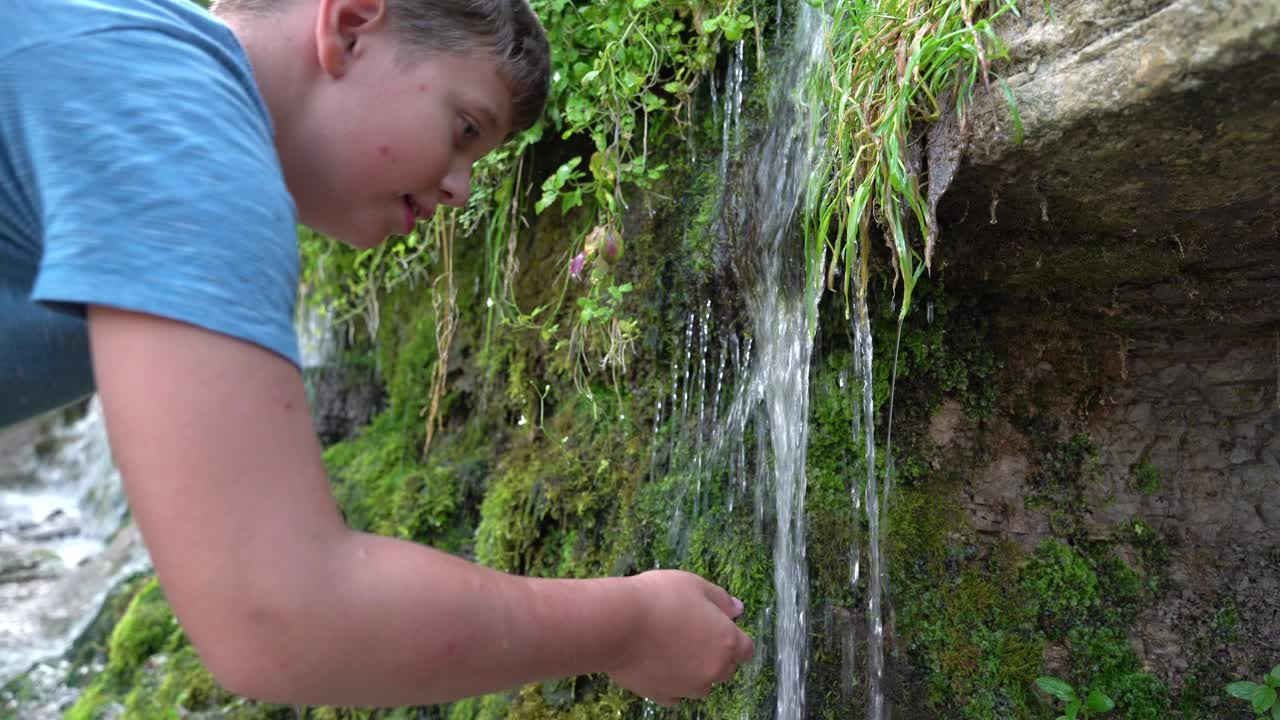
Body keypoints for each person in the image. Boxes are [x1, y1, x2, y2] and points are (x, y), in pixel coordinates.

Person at [0, 0, 754, 709]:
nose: (461, 189)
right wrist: (630, 625)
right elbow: (277, 614)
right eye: (464, 128)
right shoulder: (182, 127)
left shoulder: (128, 82)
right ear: (352, 25)